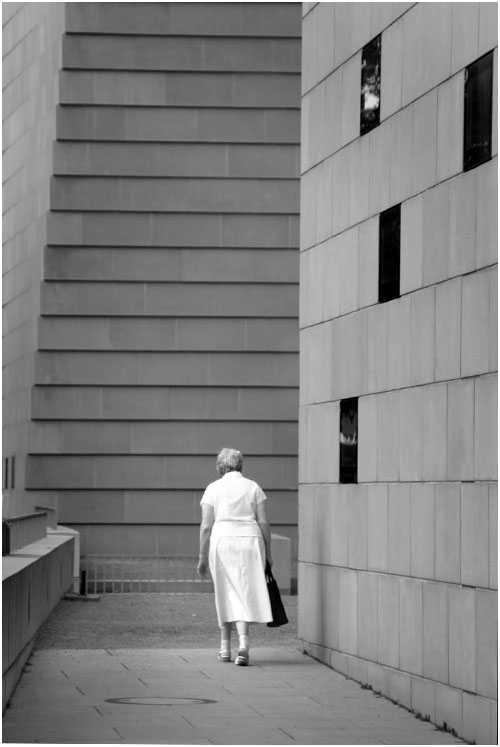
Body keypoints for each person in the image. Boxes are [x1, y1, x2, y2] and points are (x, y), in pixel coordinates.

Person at [197, 447, 273, 666]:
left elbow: (205, 526)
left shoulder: (213, 488)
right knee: (244, 592)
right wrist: (269, 553)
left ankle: (224, 648)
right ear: (240, 464)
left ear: (221, 466)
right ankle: (243, 645)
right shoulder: (253, 487)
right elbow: (264, 522)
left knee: (224, 592)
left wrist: (202, 556)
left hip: (223, 542)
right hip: (250, 541)